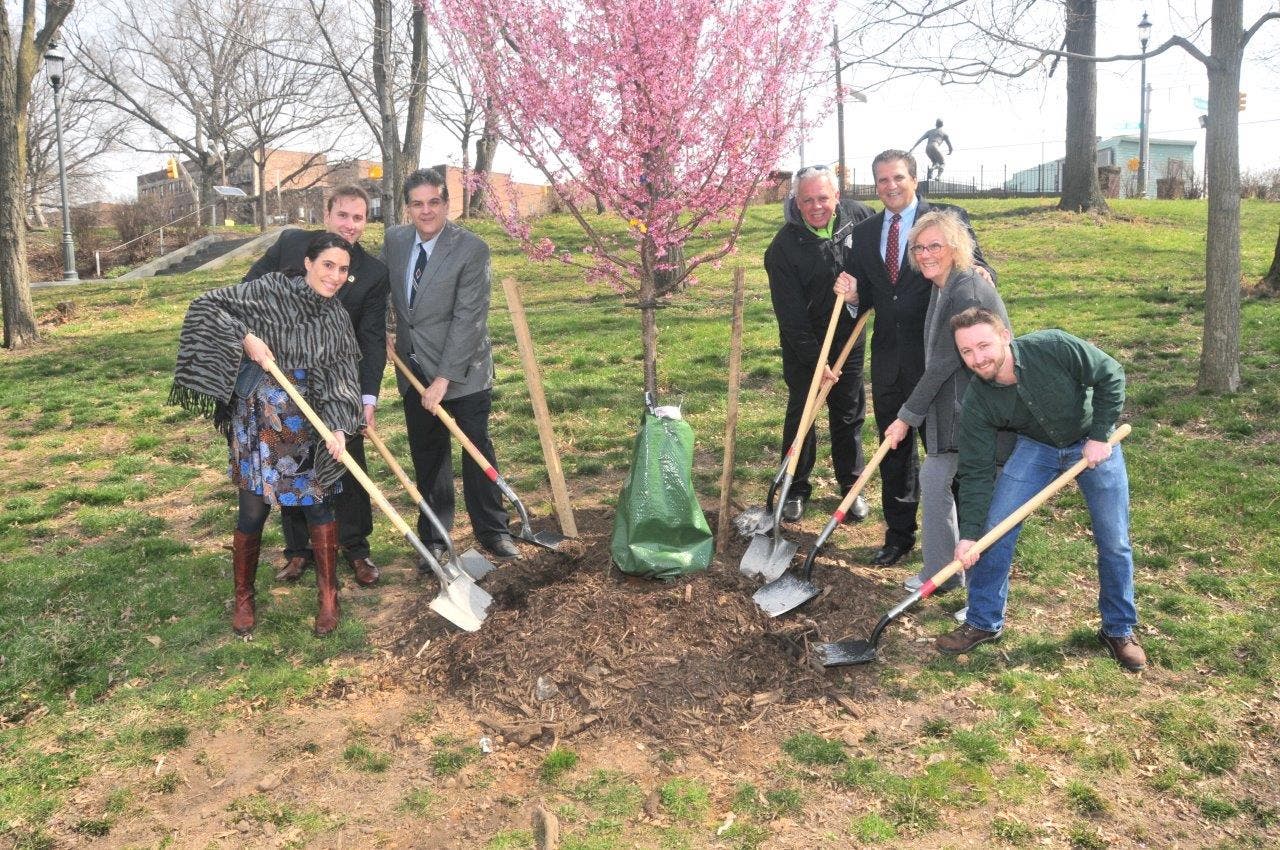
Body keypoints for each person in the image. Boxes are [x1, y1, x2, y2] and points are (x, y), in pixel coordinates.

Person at [172, 233, 363, 637]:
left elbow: (343, 379)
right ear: (309, 262)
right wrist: (246, 338)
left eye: (342, 270)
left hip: (306, 425)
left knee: (316, 504)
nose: (334, 276)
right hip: (257, 421)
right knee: (253, 511)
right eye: (328, 265)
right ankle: (244, 597)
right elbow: (206, 305)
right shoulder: (270, 290)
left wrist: (340, 428)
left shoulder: (336, 318)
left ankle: (329, 596)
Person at [935, 308, 1145, 672]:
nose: (977, 358)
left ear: (1005, 336)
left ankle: (1119, 629)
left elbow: (1110, 373)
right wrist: (969, 535)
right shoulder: (979, 400)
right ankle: (983, 621)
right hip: (1038, 448)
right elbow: (976, 472)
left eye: (983, 345)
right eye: (966, 352)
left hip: (1093, 441)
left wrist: (1099, 436)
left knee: (1114, 540)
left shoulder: (1053, 346)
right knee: (995, 531)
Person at [837, 210, 1010, 606]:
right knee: (933, 479)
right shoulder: (941, 285)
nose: (927, 254)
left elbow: (946, 361)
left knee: (980, 504)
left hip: (982, 411)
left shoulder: (966, 290)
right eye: (920, 247)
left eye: (936, 245)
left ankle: (985, 603)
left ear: (956, 247)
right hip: (956, 409)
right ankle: (941, 574)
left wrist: (905, 417)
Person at [244, 186, 390, 588]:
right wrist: (254, 338)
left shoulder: (374, 272)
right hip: (285, 378)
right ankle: (298, 550)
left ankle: (356, 548)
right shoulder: (292, 244)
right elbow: (248, 291)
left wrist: (366, 397)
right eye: (343, 215)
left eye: (358, 217)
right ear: (327, 214)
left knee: (347, 461)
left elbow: (372, 338)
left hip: (339, 381)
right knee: (292, 463)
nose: (350, 225)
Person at [383, 167, 517, 566]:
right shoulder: (394, 240)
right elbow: (382, 292)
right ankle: (436, 536)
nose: (426, 212)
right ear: (407, 207)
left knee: (476, 448)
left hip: (464, 370)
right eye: (417, 204)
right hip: (412, 368)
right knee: (428, 455)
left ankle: (493, 530)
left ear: (447, 203)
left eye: (434, 202)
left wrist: (443, 378)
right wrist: (387, 330)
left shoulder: (471, 249)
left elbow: (469, 318)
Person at [764, 164, 874, 523]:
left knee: (848, 412)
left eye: (823, 198)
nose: (815, 206)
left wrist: (864, 293)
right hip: (805, 343)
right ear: (796, 201)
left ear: (837, 196)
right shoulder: (782, 249)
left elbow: (877, 267)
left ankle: (851, 486)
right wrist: (816, 363)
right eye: (807, 200)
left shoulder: (860, 219)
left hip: (849, 334)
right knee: (803, 414)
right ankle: (795, 487)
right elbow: (791, 318)